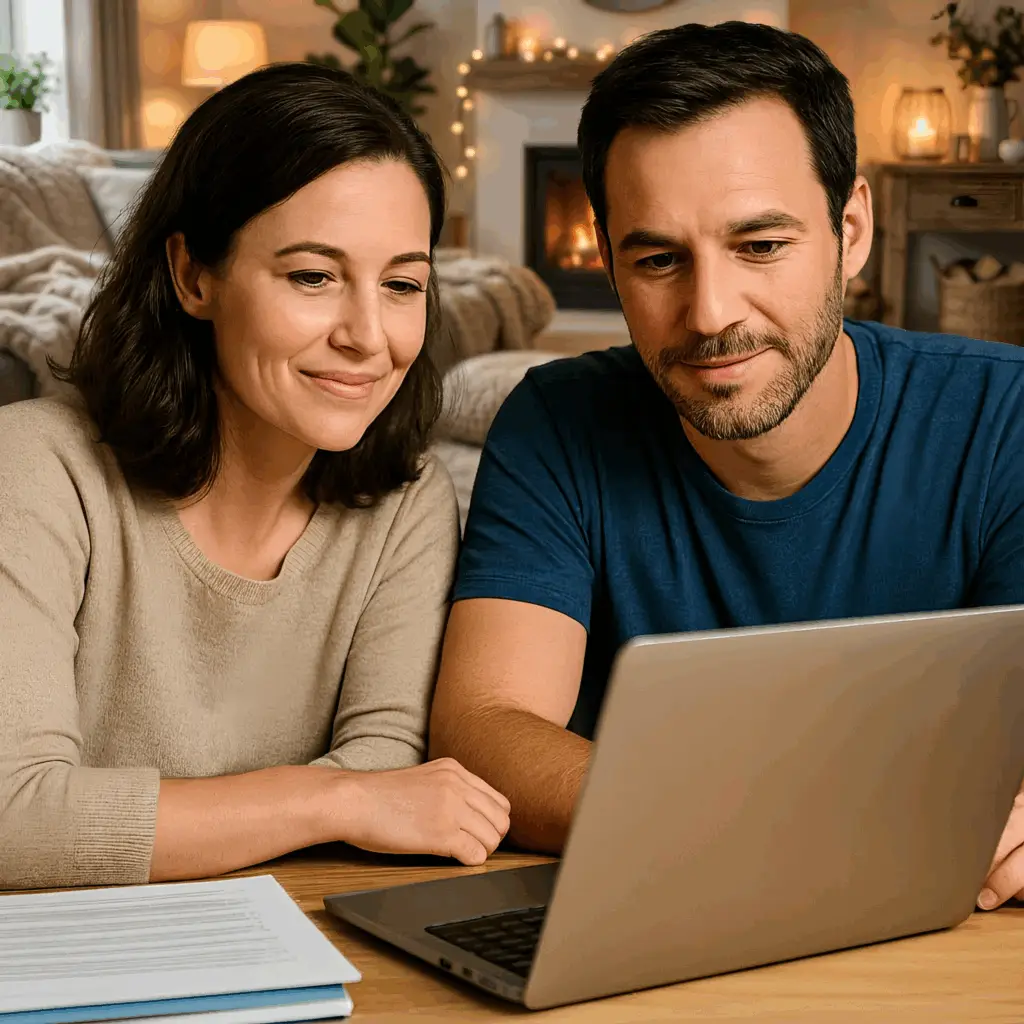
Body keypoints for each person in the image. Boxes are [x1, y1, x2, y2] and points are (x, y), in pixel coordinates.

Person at [428, 21, 1024, 910]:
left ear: (851, 229)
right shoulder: (556, 421)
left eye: (761, 246)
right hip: (659, 913)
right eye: (659, 259)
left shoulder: (1004, 419)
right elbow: (485, 731)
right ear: (608, 256)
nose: (710, 314)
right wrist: (801, 819)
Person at [0, 63, 510, 891]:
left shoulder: (409, 504)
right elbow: (13, 819)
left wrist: (348, 797)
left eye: (403, 284)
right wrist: (326, 802)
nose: (368, 336)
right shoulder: (32, 470)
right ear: (194, 276)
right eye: (313, 276)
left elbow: (388, 765)